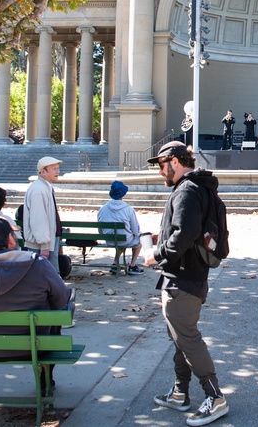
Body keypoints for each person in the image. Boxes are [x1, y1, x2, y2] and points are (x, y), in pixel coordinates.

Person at [147, 141, 229, 426]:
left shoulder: (186, 190)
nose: (160, 171)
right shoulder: (198, 188)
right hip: (190, 276)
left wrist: (155, 254)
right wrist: (163, 239)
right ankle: (180, 392)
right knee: (181, 337)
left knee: (188, 339)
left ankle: (215, 396)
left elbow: (185, 234)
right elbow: (187, 232)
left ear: (176, 161)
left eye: (161, 164)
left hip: (182, 279)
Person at [0, 217, 72, 392]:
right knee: (57, 314)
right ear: (9, 239)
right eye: (14, 234)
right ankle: (46, 378)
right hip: (36, 346)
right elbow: (61, 298)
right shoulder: (37, 264)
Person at [24, 157, 64, 274]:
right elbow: (39, 219)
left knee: (49, 276)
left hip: (47, 240)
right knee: (47, 277)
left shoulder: (44, 187)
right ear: (43, 172)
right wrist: (44, 245)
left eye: (57, 168)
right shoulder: (39, 190)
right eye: (54, 169)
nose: (57, 172)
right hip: (41, 244)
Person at [97, 180, 144, 275]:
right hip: (124, 240)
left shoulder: (102, 208)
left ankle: (115, 264)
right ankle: (132, 265)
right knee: (137, 240)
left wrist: (104, 236)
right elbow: (135, 229)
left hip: (109, 240)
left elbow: (100, 229)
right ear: (123, 194)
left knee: (119, 237)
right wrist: (137, 234)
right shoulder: (128, 209)